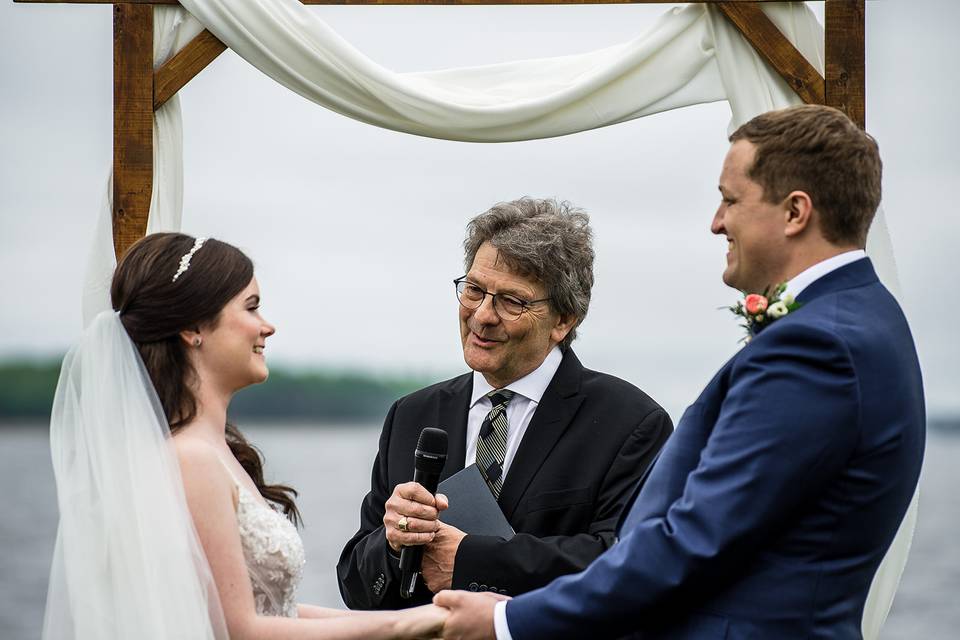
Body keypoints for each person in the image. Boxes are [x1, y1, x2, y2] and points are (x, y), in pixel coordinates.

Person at [435, 105, 926, 639]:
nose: (717, 221)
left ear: (795, 212)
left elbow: (690, 542)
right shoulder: (865, 317)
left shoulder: (816, 344)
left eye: (731, 199)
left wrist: (507, 621)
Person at [43, 233, 446, 640]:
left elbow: (276, 612)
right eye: (251, 307)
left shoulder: (215, 450)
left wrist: (434, 620)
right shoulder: (192, 459)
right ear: (192, 328)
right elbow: (237, 629)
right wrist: (405, 624)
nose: (267, 326)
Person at [338, 198, 673, 610]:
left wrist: (470, 561)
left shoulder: (632, 423)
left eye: (512, 301)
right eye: (475, 290)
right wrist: (391, 545)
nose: (482, 315)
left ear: (564, 320)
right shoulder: (411, 415)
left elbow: (628, 565)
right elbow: (356, 588)